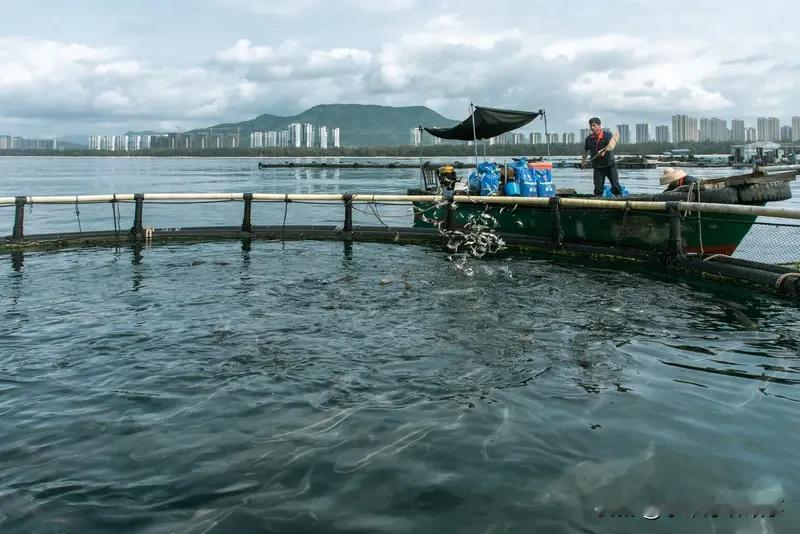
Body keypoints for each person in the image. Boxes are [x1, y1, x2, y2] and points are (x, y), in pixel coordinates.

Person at [581, 117, 622, 196]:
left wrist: (604, 150)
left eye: (594, 125)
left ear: (599, 126)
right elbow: (585, 151)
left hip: (610, 165)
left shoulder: (607, 135)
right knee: (598, 189)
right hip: (598, 167)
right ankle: (598, 203)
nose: (592, 128)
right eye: (591, 126)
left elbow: (611, 146)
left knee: (615, 186)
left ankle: (619, 200)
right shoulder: (589, 139)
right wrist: (583, 162)